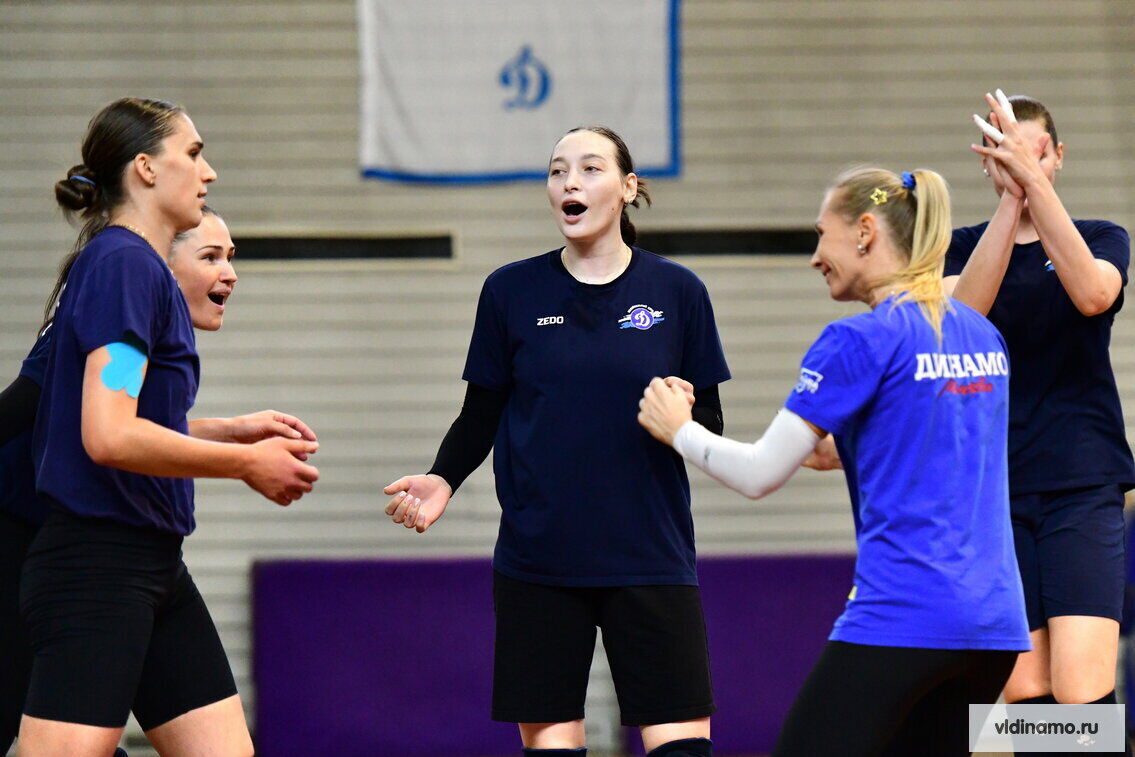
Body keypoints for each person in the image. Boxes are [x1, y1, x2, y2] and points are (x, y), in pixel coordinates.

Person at [638, 166, 1030, 756]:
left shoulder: (857, 340)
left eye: (823, 234)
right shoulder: (981, 335)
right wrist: (846, 451)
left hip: (904, 616)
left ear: (865, 232)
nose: (815, 256)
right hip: (994, 629)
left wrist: (680, 431)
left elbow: (758, 474)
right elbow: (938, 445)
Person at [382, 126, 730, 757]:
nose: (570, 181)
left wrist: (685, 420)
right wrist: (442, 477)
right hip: (538, 561)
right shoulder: (510, 292)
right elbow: (480, 413)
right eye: (557, 170)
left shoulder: (678, 292)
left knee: (681, 747)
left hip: (651, 555)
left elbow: (711, 422)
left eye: (591, 169)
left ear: (627, 188)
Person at [18, 98, 320, 757]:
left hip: (155, 562)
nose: (207, 171)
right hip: (97, 567)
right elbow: (108, 436)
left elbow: (117, 417)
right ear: (147, 169)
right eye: (193, 153)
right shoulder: (124, 265)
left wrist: (229, 431)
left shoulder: (139, 270)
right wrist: (245, 464)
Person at [949, 91, 1135, 718]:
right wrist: (1012, 198)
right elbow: (962, 321)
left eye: (1036, 155)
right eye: (1007, 156)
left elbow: (1092, 295)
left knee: (1080, 689)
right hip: (995, 489)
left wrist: (1030, 184)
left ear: (1058, 157)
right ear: (987, 164)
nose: (1025, 167)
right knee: (1027, 694)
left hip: (1081, 482)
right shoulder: (959, 247)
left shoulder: (1102, 237)